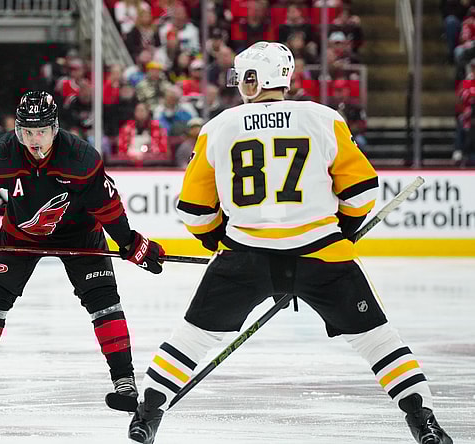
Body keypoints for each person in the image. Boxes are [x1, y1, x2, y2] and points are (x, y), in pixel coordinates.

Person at [127, 42, 453, 444]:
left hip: (244, 259)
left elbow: (194, 210)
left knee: (193, 338)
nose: (240, 84)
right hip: (322, 254)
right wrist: (343, 232)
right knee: (378, 341)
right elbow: (363, 192)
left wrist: (219, 244)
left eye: (244, 76)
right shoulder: (323, 118)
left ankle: (147, 414)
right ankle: (424, 422)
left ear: (255, 78)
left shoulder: (219, 127)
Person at [0, 90, 166, 412]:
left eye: (40, 131)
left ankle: (124, 379)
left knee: (104, 302)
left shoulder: (81, 158)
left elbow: (108, 207)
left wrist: (128, 241)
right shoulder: (2, 154)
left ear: (55, 128)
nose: (34, 140)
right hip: (20, 236)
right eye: (26, 131)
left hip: (80, 235)